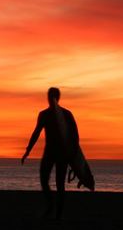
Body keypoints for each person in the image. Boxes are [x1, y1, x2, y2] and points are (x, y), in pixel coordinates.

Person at [21, 87, 79, 219]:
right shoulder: (45, 114)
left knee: (59, 183)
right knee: (45, 180)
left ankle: (57, 212)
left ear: (55, 98)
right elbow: (36, 133)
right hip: (52, 153)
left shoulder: (65, 114)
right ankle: (52, 206)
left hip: (61, 154)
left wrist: (73, 155)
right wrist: (28, 150)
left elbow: (75, 135)